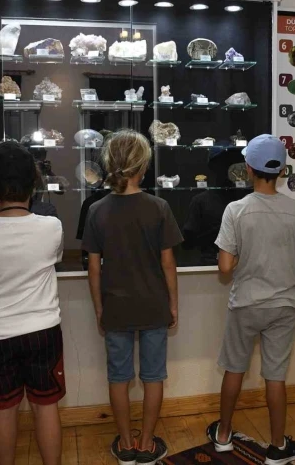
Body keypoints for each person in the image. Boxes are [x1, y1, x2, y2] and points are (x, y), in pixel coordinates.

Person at [206, 134, 295, 465]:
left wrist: (250, 254)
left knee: (234, 369)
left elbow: (225, 267)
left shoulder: (236, 210)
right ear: (282, 170)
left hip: (246, 303)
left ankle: (223, 435)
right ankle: (278, 447)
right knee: (275, 376)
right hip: (283, 305)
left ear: (249, 169)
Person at [82, 130, 183, 465]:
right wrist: (173, 304)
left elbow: (93, 269)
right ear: (143, 167)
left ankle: (125, 444)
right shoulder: (159, 207)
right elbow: (168, 264)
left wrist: (99, 309)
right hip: (153, 305)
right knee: (153, 376)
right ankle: (146, 443)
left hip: (116, 307)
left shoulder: (97, 210)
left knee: (118, 377)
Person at [0, 142, 65, 465]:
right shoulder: (51, 227)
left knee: (3, 408)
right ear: (34, 182)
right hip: (43, 330)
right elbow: (56, 257)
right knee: (45, 406)